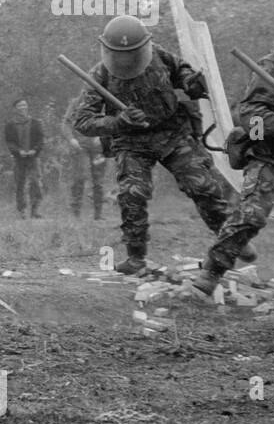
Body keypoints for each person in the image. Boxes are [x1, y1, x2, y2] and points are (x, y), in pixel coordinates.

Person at [70, 15, 253, 275]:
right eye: (120, 55)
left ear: (143, 47)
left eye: (132, 53)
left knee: (201, 184)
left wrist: (191, 82)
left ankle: (232, 240)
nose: (126, 60)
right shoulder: (99, 75)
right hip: (131, 142)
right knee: (132, 194)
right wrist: (118, 122)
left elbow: (183, 71)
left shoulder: (160, 57)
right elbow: (83, 121)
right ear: (109, 52)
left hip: (171, 132)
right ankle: (135, 258)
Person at [193, 7, 274, 294]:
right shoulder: (270, 69)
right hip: (269, 155)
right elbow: (252, 121)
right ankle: (212, 270)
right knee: (251, 214)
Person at [62, 94, 106, 219]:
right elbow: (66, 123)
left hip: (98, 147)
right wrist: (71, 139)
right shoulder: (76, 102)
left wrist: (104, 137)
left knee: (98, 181)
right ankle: (75, 213)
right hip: (80, 146)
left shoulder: (104, 102)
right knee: (79, 178)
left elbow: (112, 122)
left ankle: (98, 214)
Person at [4, 98, 44, 218]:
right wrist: (18, 151)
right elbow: (9, 142)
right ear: (15, 109)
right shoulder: (10, 125)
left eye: (24, 105)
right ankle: (22, 211)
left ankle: (35, 210)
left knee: (35, 182)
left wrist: (34, 150)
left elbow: (41, 139)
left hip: (33, 158)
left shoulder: (36, 122)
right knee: (20, 184)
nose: (22, 107)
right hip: (19, 159)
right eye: (20, 105)